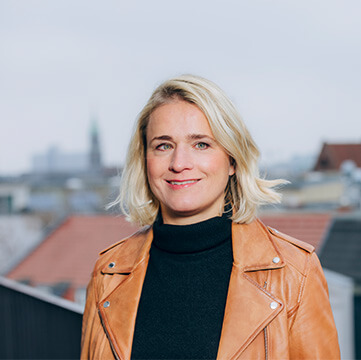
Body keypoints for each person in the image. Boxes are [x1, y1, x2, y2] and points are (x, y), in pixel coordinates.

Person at [80, 74, 340, 359]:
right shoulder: (109, 273)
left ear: (232, 160)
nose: (179, 164)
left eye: (201, 144)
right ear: (144, 161)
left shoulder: (294, 273)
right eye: (163, 145)